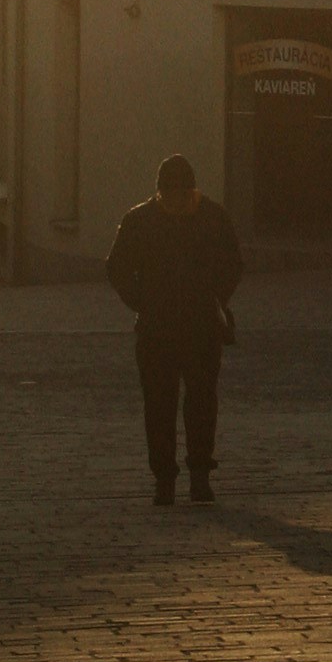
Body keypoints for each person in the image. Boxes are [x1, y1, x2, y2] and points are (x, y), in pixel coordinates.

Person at [105, 153, 243, 505]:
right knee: (161, 405)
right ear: (160, 193)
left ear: (191, 191)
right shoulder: (143, 221)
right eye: (172, 195)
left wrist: (214, 297)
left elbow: (233, 264)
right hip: (158, 329)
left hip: (198, 328)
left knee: (198, 403)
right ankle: (165, 479)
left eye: (183, 195)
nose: (178, 202)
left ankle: (198, 476)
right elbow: (117, 268)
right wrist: (143, 302)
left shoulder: (208, 218)